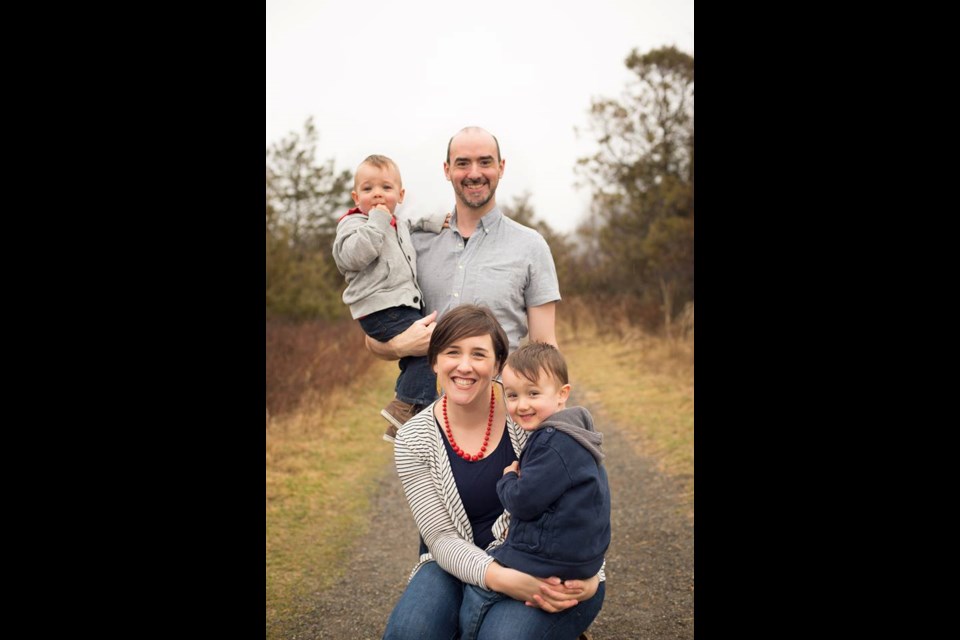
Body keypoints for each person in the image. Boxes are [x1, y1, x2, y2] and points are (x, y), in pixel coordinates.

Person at [382, 305, 604, 640]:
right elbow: (440, 538)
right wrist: (500, 577)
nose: (465, 366)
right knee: (409, 633)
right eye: (452, 352)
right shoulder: (414, 439)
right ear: (434, 362)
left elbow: (586, 501)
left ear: (498, 363)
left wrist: (590, 579)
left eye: (479, 354)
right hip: (453, 565)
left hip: (540, 564)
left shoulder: (530, 414)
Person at [365, 127, 561, 432]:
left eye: (485, 162)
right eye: (462, 163)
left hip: (501, 421)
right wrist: (401, 344)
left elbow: (545, 346)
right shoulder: (414, 245)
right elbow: (374, 337)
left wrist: (552, 429)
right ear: (447, 170)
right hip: (424, 423)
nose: (474, 173)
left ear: (501, 167)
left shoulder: (531, 246)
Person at [457, 341, 611, 639]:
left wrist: (508, 479)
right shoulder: (576, 435)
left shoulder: (554, 442)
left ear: (562, 394)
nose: (521, 405)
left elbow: (524, 502)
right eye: (512, 396)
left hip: (551, 556)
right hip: (578, 555)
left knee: (478, 590)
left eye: (533, 393)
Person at [332, 154, 448, 441]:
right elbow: (352, 257)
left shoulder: (397, 223)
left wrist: (436, 222)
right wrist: (378, 221)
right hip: (381, 307)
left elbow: (413, 223)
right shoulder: (354, 223)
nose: (378, 195)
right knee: (433, 345)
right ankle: (406, 408)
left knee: (418, 357)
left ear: (400, 194)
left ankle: (409, 420)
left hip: (397, 306)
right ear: (356, 196)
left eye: (385, 188)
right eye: (368, 189)